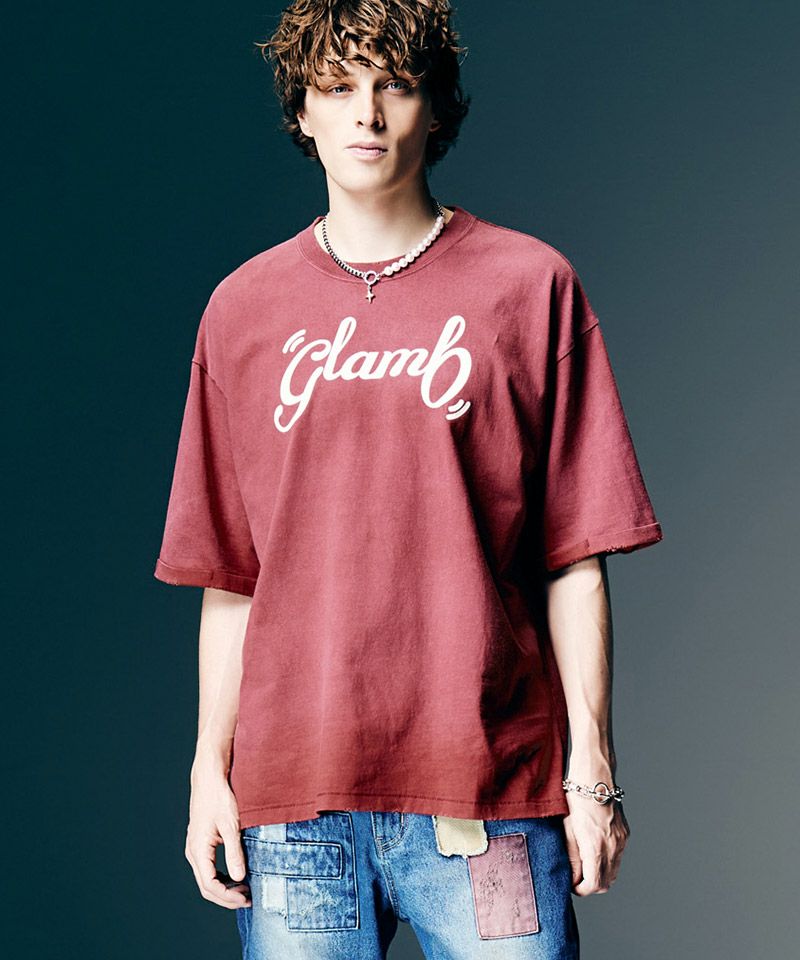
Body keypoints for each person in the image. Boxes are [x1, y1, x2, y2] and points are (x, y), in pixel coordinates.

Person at [153, 2, 663, 957]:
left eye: (395, 84)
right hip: (293, 813)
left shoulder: (529, 286)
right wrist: (206, 774)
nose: (367, 114)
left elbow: (575, 558)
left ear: (436, 108)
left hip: (490, 797)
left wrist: (592, 776)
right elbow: (232, 576)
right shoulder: (242, 309)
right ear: (302, 112)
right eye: (338, 87)